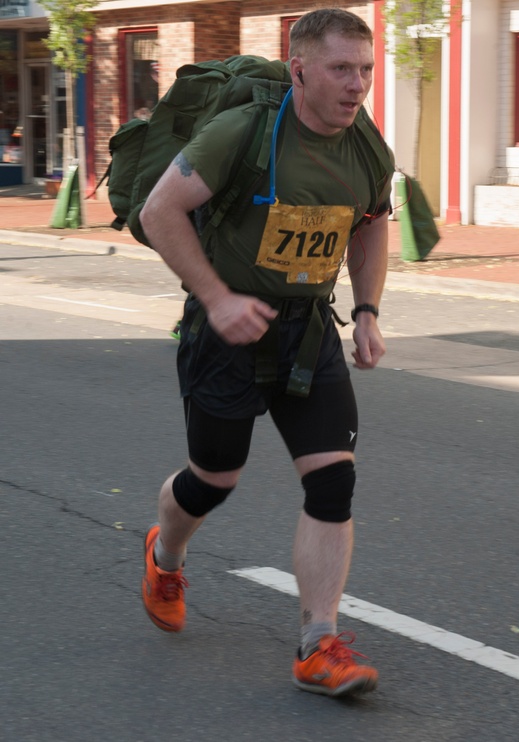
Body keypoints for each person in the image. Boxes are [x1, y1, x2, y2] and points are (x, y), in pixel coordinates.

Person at [138, 8, 394, 699]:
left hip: (307, 330)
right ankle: (165, 554)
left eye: (366, 69)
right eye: (341, 69)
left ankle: (318, 643)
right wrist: (217, 297)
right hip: (227, 328)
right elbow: (159, 211)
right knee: (213, 480)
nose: (357, 85)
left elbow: (370, 225)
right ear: (300, 70)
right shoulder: (242, 133)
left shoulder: (367, 148)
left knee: (332, 483)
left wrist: (367, 310)